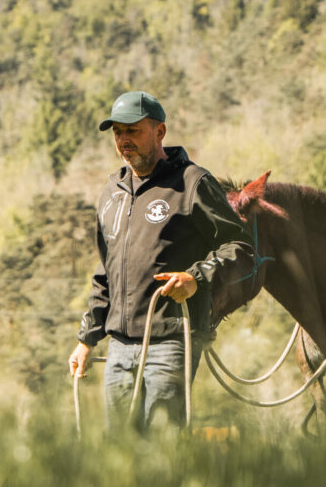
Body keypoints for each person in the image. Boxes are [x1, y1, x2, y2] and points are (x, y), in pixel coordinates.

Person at [67, 91, 254, 429]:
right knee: (121, 454)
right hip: (120, 348)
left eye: (133, 131)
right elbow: (105, 273)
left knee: (161, 449)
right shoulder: (112, 193)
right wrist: (86, 340)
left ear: (159, 132)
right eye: (118, 133)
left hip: (172, 342)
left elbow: (240, 247)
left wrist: (197, 278)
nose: (124, 141)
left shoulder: (193, 183)